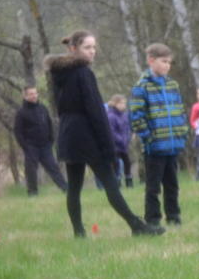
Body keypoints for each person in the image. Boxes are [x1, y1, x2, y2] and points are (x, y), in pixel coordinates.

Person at [48, 32, 161, 238]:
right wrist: (108, 147)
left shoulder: (58, 73)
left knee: (74, 186)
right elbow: (96, 112)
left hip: (68, 133)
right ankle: (136, 225)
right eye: (87, 47)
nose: (92, 51)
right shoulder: (83, 73)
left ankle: (79, 232)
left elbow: (58, 106)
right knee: (110, 183)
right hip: (86, 134)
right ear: (73, 48)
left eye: (94, 47)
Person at [129, 43, 188, 228]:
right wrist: (149, 137)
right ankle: (153, 219)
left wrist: (182, 133)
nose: (167, 66)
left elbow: (180, 111)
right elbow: (136, 116)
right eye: (164, 61)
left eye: (169, 62)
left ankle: (174, 216)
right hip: (154, 147)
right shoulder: (141, 87)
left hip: (173, 144)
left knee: (172, 185)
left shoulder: (173, 85)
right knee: (153, 186)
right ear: (151, 60)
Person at [11, 85, 66, 195]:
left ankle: (65, 188)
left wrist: (51, 140)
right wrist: (25, 146)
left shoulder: (42, 108)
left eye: (35, 93)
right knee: (31, 170)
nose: (34, 96)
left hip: (45, 145)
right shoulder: (21, 112)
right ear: (25, 96)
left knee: (53, 167)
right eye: (31, 94)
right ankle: (33, 192)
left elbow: (49, 124)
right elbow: (18, 132)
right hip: (31, 146)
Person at [105, 95, 134, 188]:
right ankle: (117, 182)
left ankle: (129, 181)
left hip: (124, 145)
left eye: (124, 103)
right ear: (115, 104)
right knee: (116, 164)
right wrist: (120, 140)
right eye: (121, 103)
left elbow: (127, 128)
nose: (123, 105)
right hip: (115, 146)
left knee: (127, 162)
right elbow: (112, 131)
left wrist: (128, 138)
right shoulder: (111, 116)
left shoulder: (124, 115)